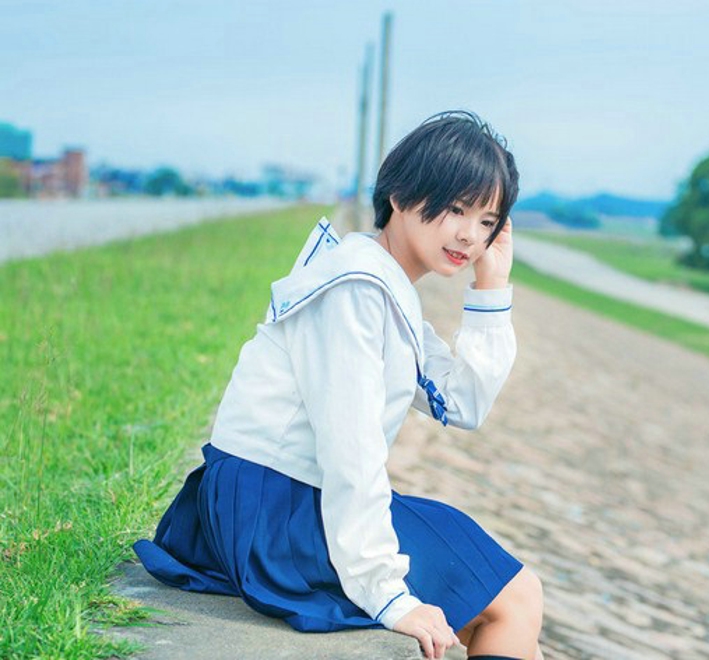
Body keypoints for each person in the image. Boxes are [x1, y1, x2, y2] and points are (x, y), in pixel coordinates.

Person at [133, 111, 543, 660]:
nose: (470, 235)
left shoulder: (380, 284)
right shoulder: (355, 289)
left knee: (500, 600)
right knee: (516, 597)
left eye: (488, 220)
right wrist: (386, 594)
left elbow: (462, 402)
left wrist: (491, 288)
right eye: (456, 208)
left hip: (280, 498)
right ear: (400, 194)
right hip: (275, 513)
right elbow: (351, 449)